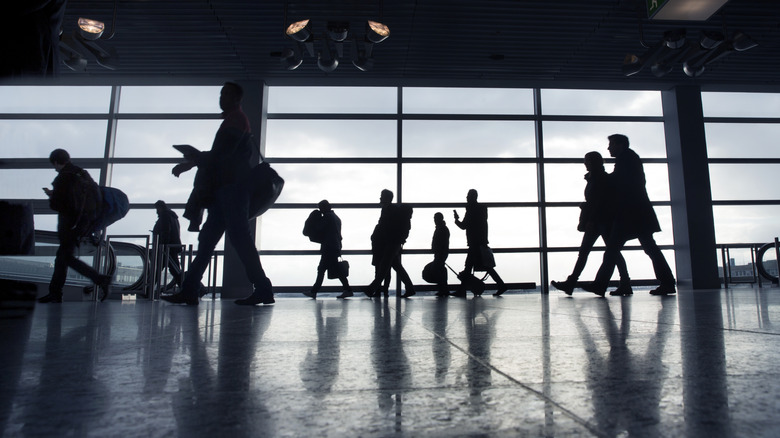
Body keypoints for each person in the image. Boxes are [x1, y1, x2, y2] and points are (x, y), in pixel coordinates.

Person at [162, 82, 274, 306]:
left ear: (237, 99)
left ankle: (262, 289)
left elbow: (222, 156)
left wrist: (192, 160)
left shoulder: (235, 121)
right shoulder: (234, 121)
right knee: (210, 241)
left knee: (234, 240)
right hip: (227, 191)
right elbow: (221, 156)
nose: (222, 98)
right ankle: (190, 289)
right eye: (221, 94)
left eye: (227, 94)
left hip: (231, 191)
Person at [582, 134, 676, 296]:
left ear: (619, 145)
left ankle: (601, 284)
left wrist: (598, 177)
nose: (608, 148)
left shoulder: (626, 159)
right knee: (648, 248)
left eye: (611, 145)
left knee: (613, 249)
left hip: (630, 215)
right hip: (637, 214)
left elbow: (619, 182)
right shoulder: (629, 158)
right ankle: (667, 282)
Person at [551, 152, 632, 296]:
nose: (585, 163)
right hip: (601, 220)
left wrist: (590, 218)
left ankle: (571, 283)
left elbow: (598, 202)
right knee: (611, 253)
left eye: (587, 161)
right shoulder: (600, 178)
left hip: (598, 221)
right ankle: (625, 282)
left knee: (589, 253)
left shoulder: (597, 179)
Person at [38, 148, 111, 303]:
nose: (54, 168)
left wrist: (52, 196)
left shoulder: (63, 178)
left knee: (66, 257)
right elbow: (94, 198)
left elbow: (57, 205)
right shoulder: (83, 174)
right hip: (83, 224)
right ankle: (55, 292)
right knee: (61, 257)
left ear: (56, 162)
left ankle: (99, 279)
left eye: (54, 165)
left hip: (69, 225)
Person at [453, 189, 507, 296]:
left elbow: (463, 226)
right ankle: (501, 285)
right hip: (481, 242)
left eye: (468, 196)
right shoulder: (482, 209)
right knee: (485, 267)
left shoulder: (471, 210)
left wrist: (456, 220)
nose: (466, 198)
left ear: (471, 197)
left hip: (474, 244)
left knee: (468, 267)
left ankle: (462, 290)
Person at [365, 189, 416, 298]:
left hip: (391, 242)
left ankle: (371, 289)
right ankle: (410, 288)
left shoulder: (389, 210)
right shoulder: (390, 209)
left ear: (387, 198)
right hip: (393, 242)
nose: (380, 198)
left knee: (384, 266)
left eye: (382, 196)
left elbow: (384, 226)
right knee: (396, 267)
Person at [303, 200, 353, 299]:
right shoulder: (336, 217)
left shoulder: (328, 217)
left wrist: (312, 221)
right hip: (335, 246)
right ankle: (347, 289)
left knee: (322, 269)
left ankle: (314, 291)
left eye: (321, 208)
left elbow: (319, 228)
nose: (320, 211)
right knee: (334, 270)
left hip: (329, 247)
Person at [152, 200, 183, 290]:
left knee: (157, 269)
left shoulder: (165, 216)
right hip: (172, 247)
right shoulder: (173, 217)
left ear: (160, 207)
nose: (156, 211)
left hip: (165, 248)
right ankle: (185, 288)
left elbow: (165, 231)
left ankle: (148, 289)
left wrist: (162, 245)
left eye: (157, 209)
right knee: (175, 270)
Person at [430, 212, 450, 297]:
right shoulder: (443, 228)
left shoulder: (440, 229)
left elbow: (440, 242)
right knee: (440, 270)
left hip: (440, 252)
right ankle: (443, 289)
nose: (434, 220)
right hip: (442, 252)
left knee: (438, 270)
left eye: (435, 218)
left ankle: (443, 289)